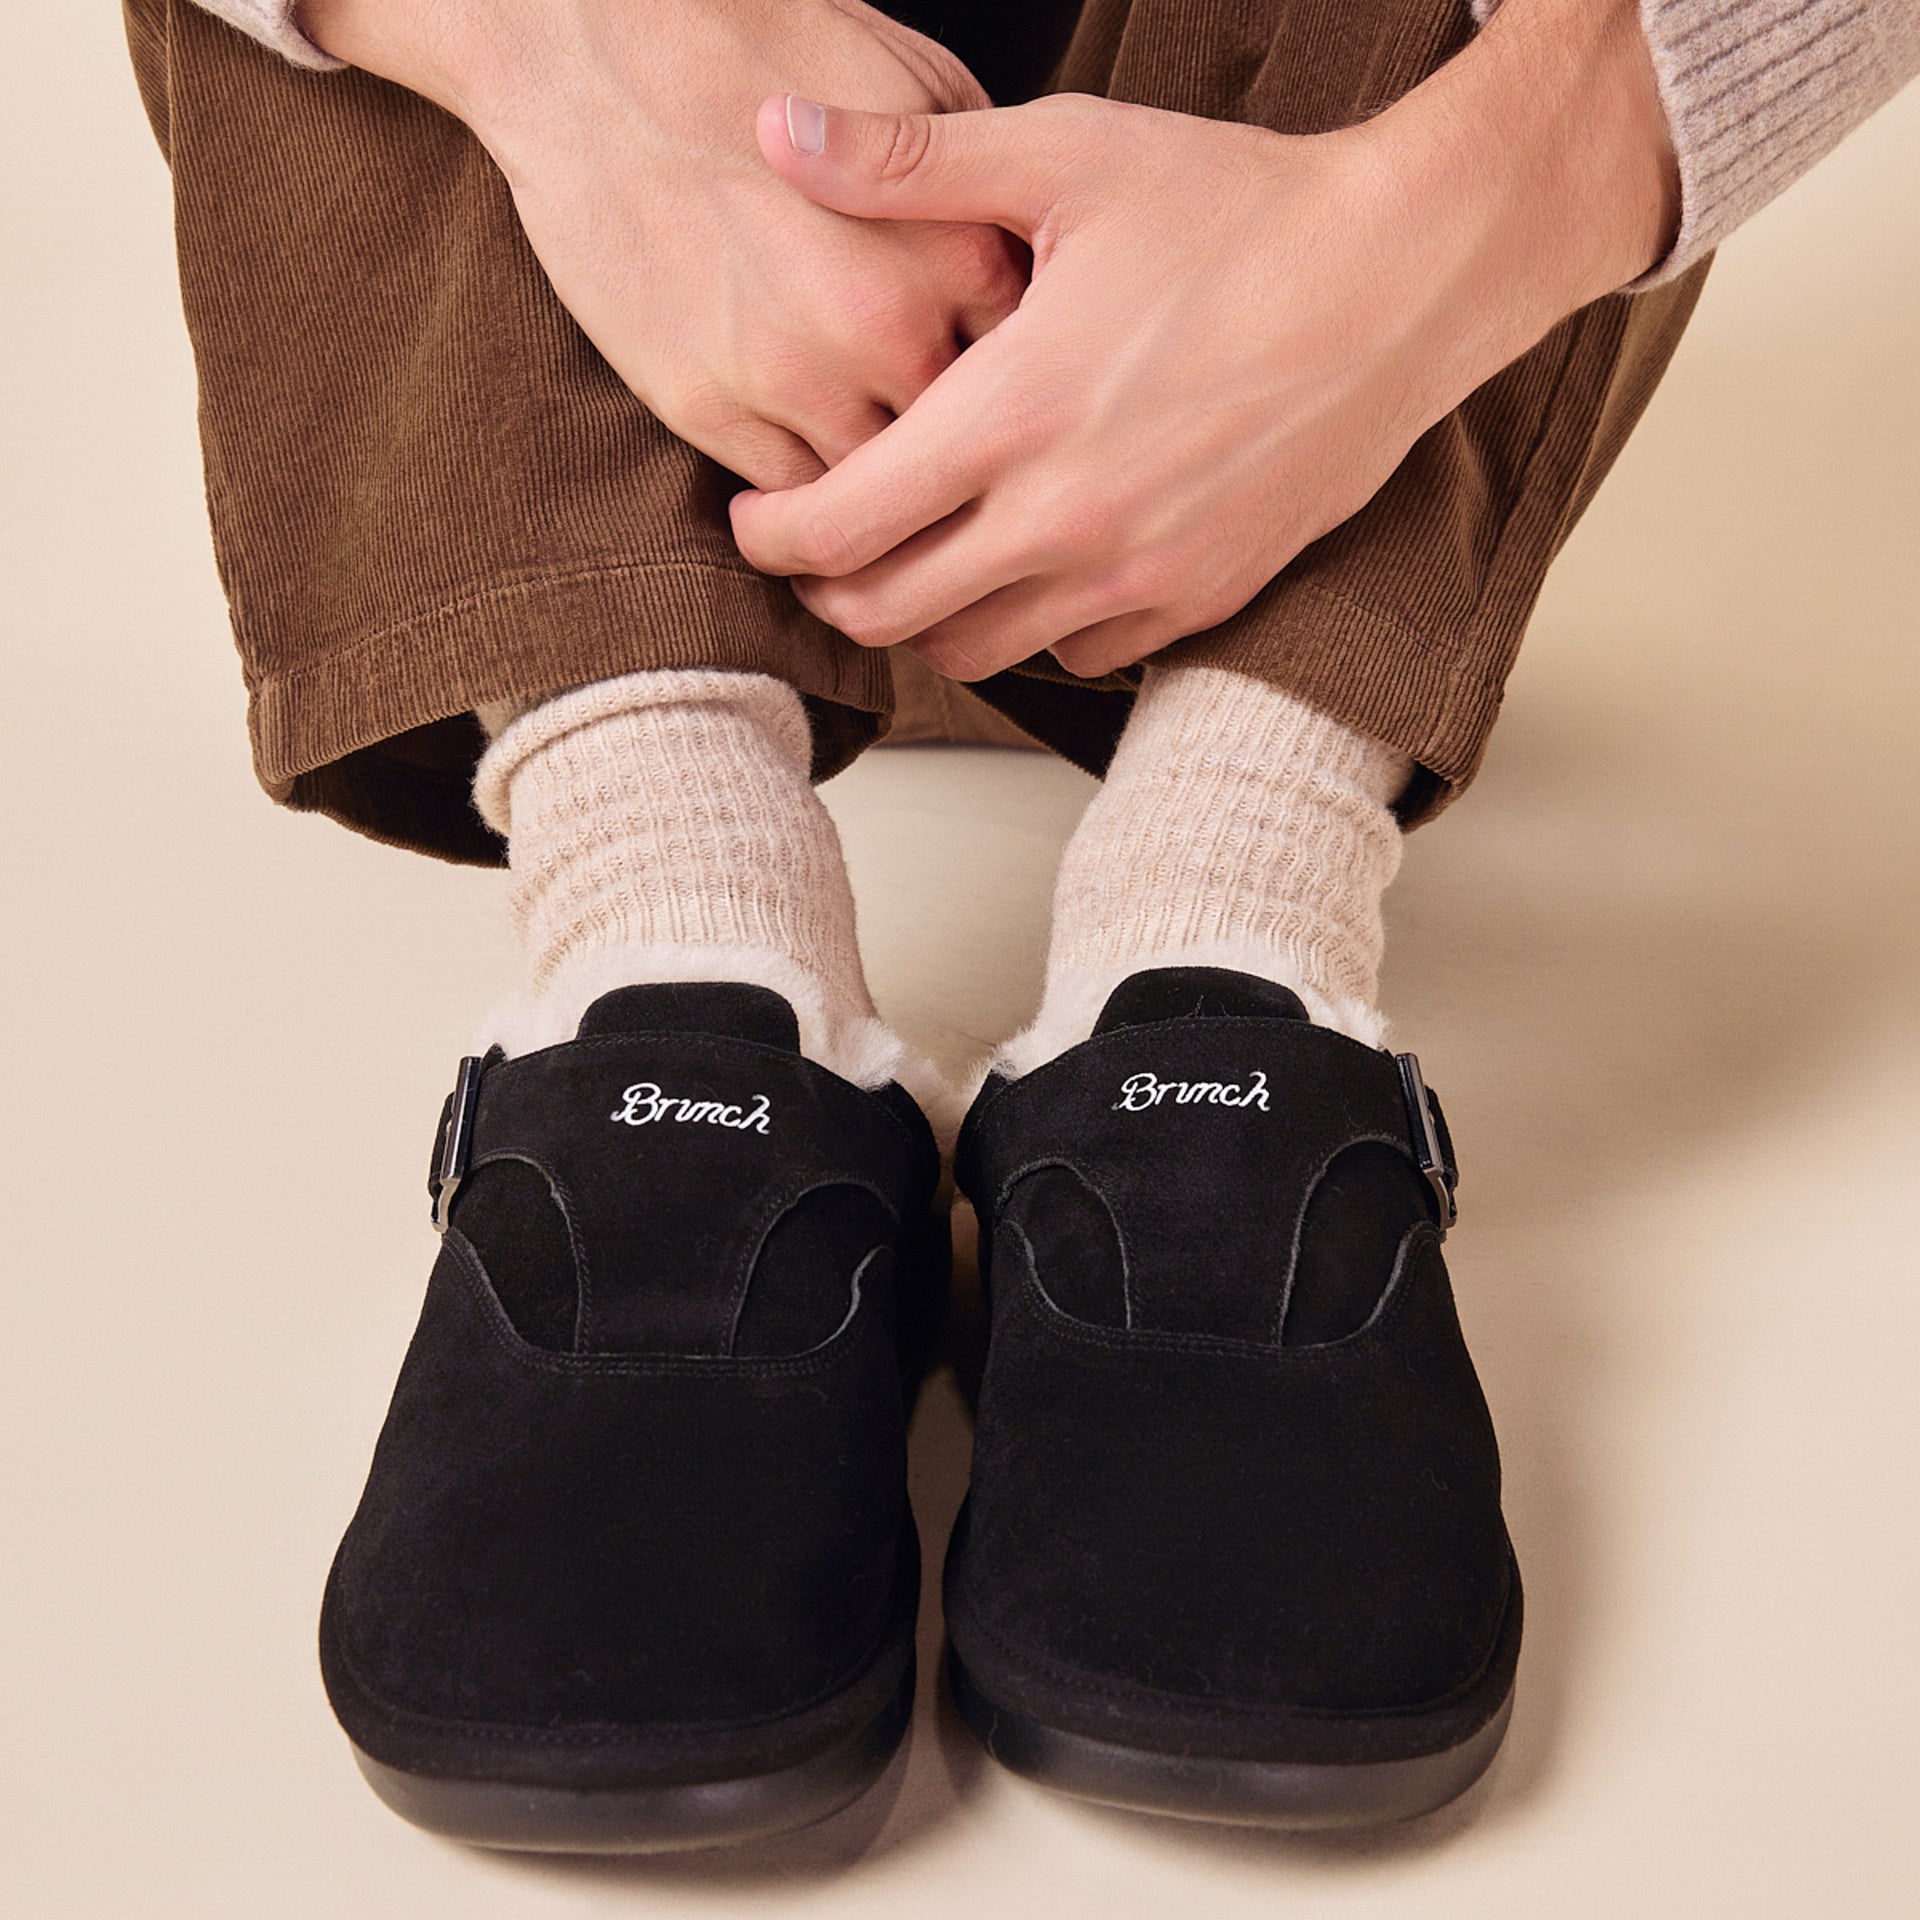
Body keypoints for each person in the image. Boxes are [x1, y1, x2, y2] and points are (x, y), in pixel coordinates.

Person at [126, 0, 1920, 1851]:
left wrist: (1429, 233)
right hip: (573, 419)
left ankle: (1228, 891)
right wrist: (554, 45)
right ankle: (673, 901)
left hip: (1310, 480)